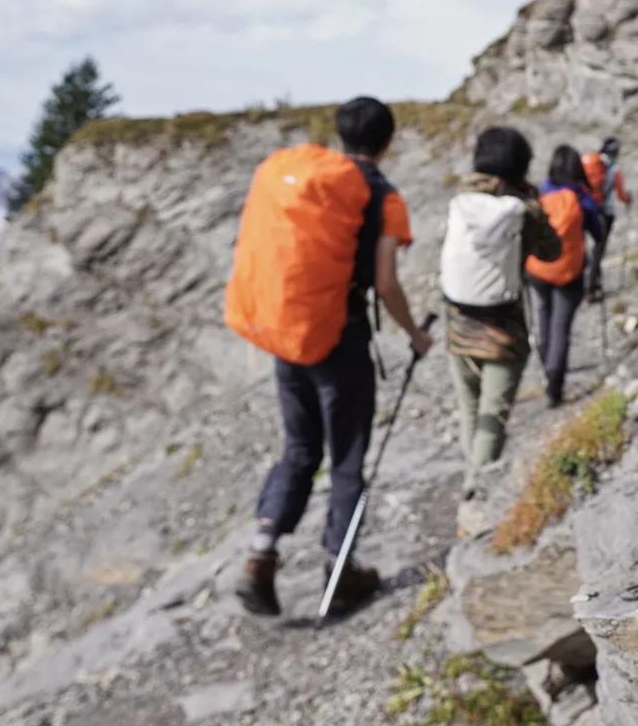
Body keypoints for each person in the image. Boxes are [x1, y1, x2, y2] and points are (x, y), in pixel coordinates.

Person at [224, 96, 433, 618]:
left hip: (289, 333)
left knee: (299, 447)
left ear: (340, 135)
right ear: (387, 141)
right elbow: (385, 282)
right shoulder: (383, 197)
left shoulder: (314, 180)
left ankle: (261, 555)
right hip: (340, 341)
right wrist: (415, 335)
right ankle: (340, 570)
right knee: (346, 459)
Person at [441, 127, 561, 466]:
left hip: (458, 325)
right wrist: (535, 209)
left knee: (470, 411)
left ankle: (472, 480)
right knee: (492, 416)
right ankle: (475, 491)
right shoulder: (523, 209)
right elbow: (552, 252)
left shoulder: (461, 199)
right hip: (502, 329)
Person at [526, 145, 604, 407]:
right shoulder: (581, 197)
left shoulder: (542, 192)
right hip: (569, 273)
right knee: (561, 327)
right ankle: (554, 388)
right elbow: (599, 233)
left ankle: (548, 372)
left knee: (544, 315)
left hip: (538, 270)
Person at [581, 136, 632, 302]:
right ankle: (593, 286)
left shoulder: (589, 162)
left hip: (585, 209)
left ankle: (586, 284)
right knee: (598, 249)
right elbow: (621, 195)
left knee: (585, 247)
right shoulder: (614, 169)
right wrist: (628, 198)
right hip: (605, 212)